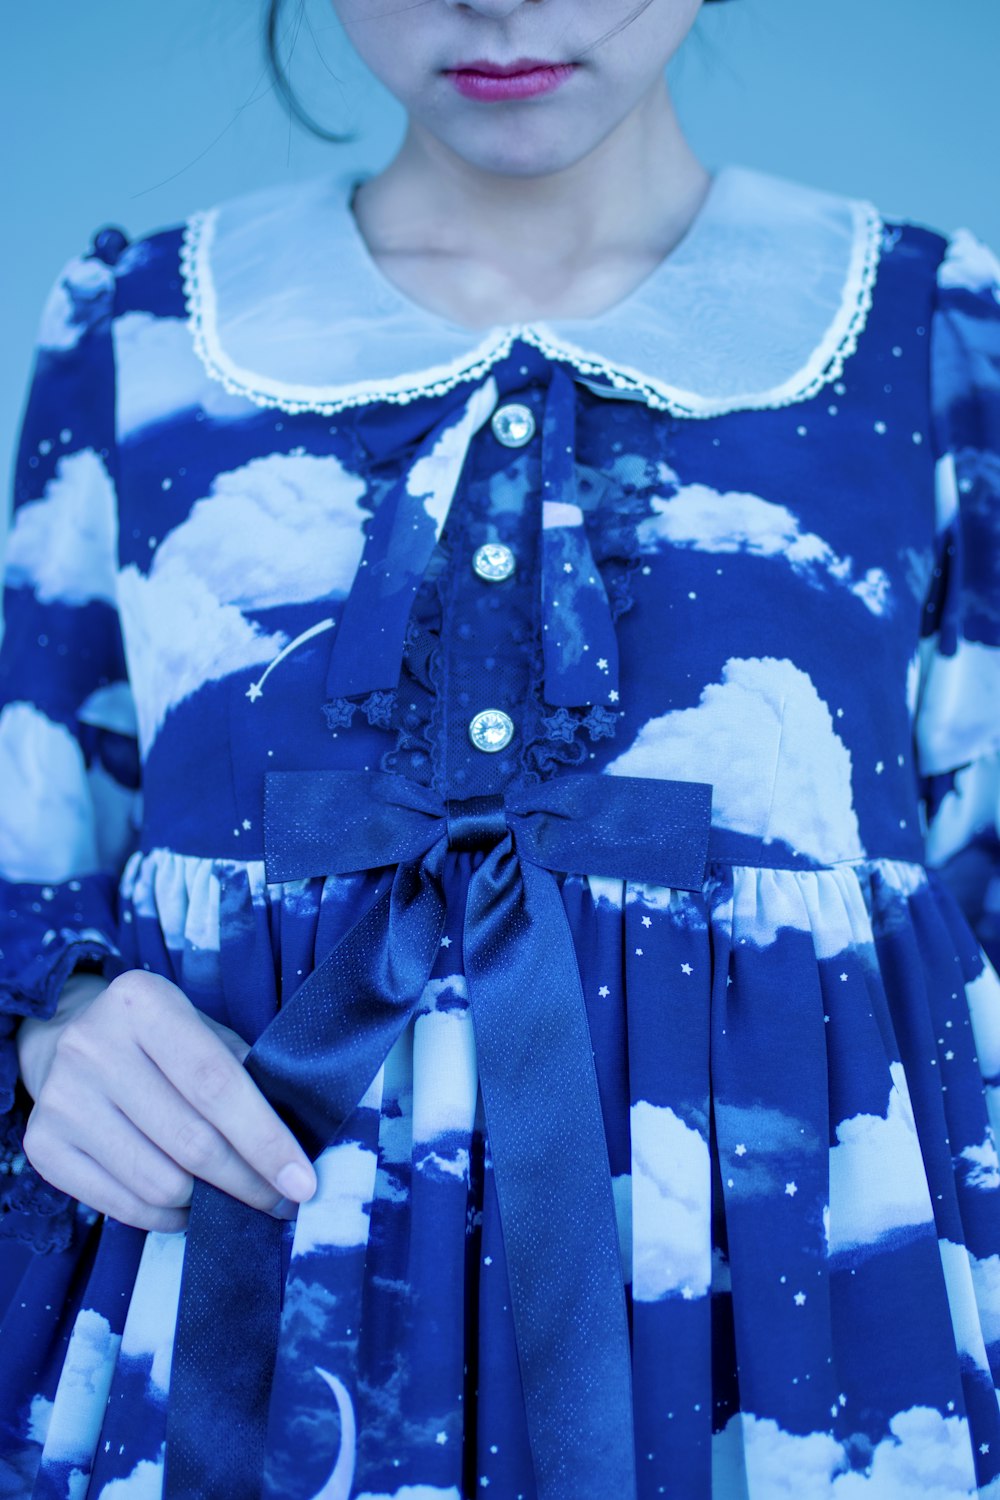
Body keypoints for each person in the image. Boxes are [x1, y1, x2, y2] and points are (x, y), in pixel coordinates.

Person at [1, 0, 999, 1494]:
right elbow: (32, 857)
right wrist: (49, 1034)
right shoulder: (145, 330)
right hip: (230, 1352)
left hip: (801, 1384)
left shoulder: (933, 333)